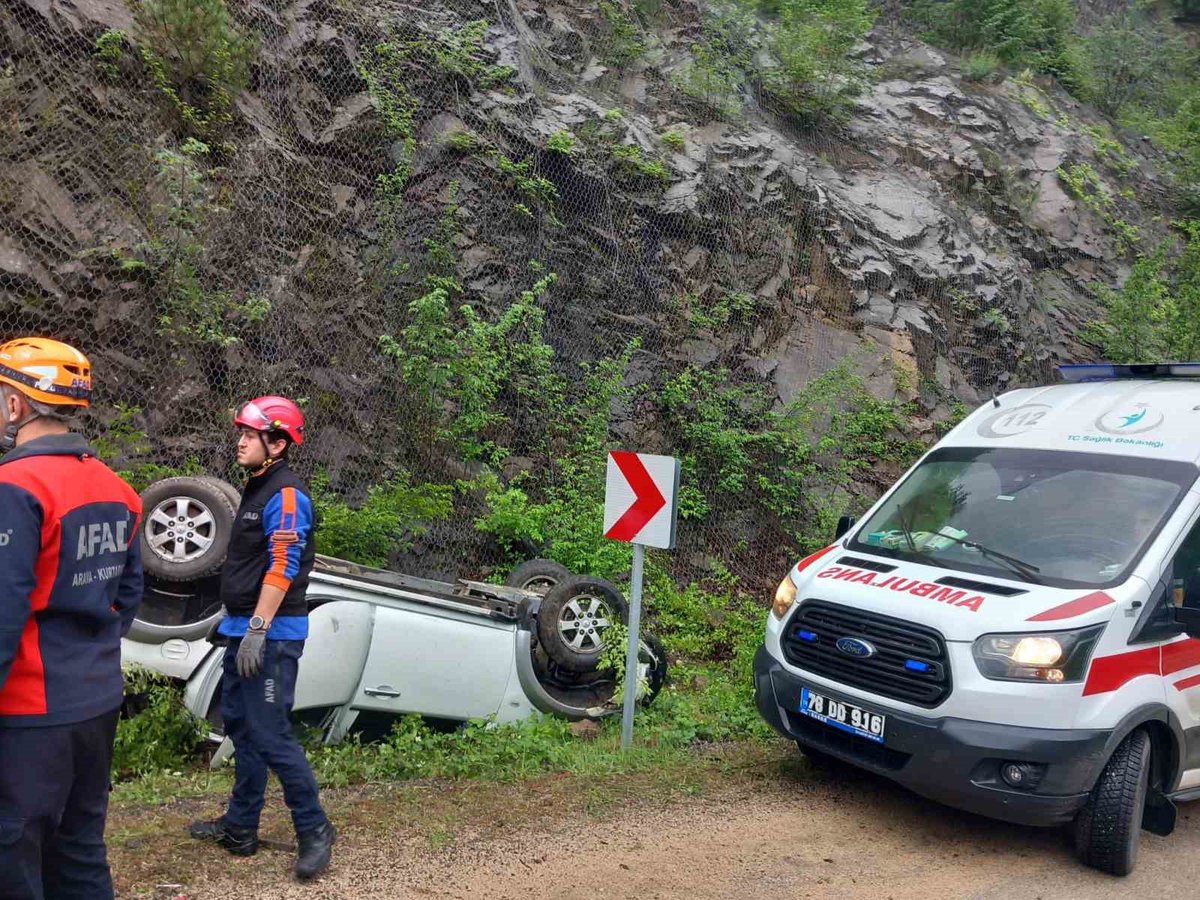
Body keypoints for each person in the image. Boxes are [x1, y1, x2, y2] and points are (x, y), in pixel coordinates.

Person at [0, 337, 143, 899]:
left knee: (13, 861)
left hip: (28, 713)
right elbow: (126, 599)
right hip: (95, 703)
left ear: (16, 405)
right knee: (80, 853)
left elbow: (3, 616)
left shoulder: (14, 488)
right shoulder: (117, 489)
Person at [189, 395, 335, 881]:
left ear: (277, 442)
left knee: (271, 733)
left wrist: (256, 628)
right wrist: (233, 620)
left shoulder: (288, 495)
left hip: (271, 634)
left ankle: (315, 829)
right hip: (243, 628)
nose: (240, 441)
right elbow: (249, 567)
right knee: (242, 727)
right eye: (242, 434)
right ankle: (240, 826)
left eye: (249, 435)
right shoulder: (256, 487)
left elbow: (282, 565)